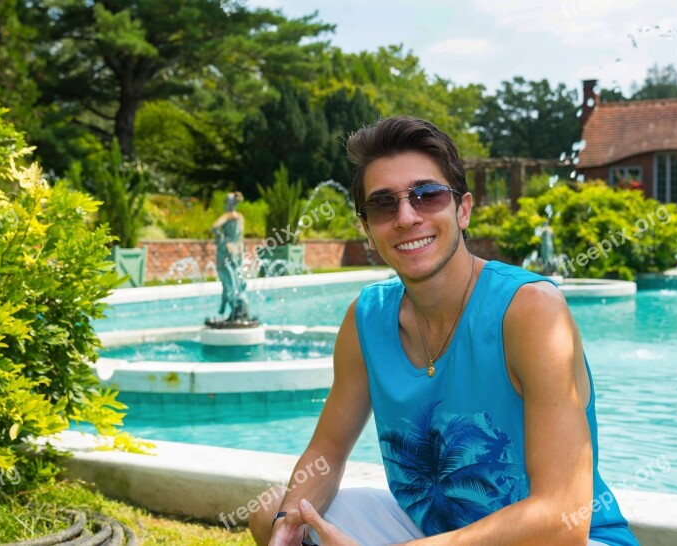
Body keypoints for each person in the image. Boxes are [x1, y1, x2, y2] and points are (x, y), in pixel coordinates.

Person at [248, 116, 638, 546]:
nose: (406, 217)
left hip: (563, 540)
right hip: (435, 534)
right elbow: (326, 454)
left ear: (463, 209)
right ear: (367, 229)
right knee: (273, 513)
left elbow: (562, 519)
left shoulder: (530, 311)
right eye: (382, 205)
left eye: (427, 195)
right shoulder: (367, 319)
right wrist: (288, 521)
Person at [210, 191, 250, 321]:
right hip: (238, 249)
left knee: (227, 280)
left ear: (228, 203)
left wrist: (220, 237)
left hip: (227, 250)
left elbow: (214, 227)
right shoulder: (241, 217)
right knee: (237, 279)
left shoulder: (227, 216)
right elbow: (241, 235)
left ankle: (232, 307)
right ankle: (238, 307)